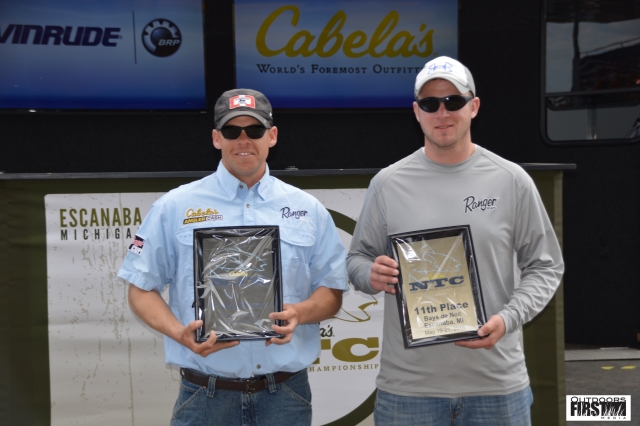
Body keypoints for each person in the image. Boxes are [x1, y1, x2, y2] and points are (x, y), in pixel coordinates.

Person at [346, 56, 564, 425]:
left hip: (497, 386)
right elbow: (357, 259)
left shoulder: (511, 180)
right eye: (430, 103)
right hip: (409, 390)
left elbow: (545, 266)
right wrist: (370, 274)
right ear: (417, 112)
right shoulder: (387, 183)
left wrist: (508, 318)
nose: (442, 112)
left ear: (473, 106)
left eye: (454, 101)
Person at [118, 88, 349, 426]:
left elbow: (332, 291)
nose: (243, 140)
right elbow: (139, 288)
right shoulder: (174, 207)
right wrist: (179, 332)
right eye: (231, 131)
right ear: (216, 138)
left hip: (286, 396)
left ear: (272, 136)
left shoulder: (307, 209)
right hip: (205, 396)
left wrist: (300, 313)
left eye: (254, 130)